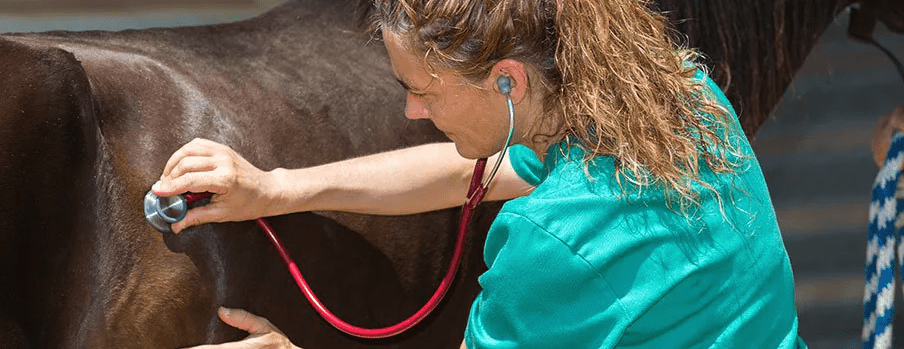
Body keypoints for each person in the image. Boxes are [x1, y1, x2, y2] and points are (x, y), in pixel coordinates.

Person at [153, 0, 806, 347]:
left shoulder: (550, 239)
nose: (412, 110)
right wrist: (281, 186)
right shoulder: (681, 97)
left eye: (424, 91)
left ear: (508, 80)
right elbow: (476, 170)